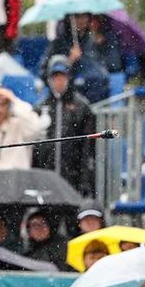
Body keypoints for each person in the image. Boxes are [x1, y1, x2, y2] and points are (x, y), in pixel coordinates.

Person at [33, 59, 96, 197]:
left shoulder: (82, 107)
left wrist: (85, 180)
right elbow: (36, 147)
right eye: (55, 77)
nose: (59, 81)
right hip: (46, 177)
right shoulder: (40, 107)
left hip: (72, 177)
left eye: (62, 77)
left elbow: (87, 148)